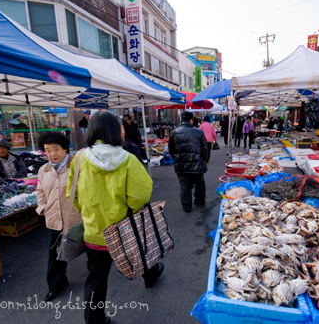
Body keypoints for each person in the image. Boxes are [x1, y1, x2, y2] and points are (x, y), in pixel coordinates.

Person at [66, 111, 162, 324]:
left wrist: (89, 213)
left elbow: (72, 194)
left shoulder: (79, 158)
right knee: (140, 253)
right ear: (114, 130)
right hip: (123, 229)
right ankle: (151, 275)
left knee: (95, 279)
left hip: (94, 232)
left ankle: (95, 321)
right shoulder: (128, 159)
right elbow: (140, 197)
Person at [36, 132, 80, 302]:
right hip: (54, 218)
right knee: (54, 253)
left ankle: (96, 279)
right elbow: (40, 191)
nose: (52, 154)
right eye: (47, 150)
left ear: (65, 149)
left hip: (77, 218)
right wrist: (43, 208)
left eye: (56, 149)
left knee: (88, 249)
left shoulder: (77, 166)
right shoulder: (43, 170)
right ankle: (56, 285)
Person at [168, 111, 209, 212]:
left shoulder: (173, 132)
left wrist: (177, 158)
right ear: (191, 120)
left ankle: (186, 206)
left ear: (182, 119)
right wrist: (204, 159)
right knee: (199, 182)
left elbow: (171, 149)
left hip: (181, 164)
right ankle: (199, 200)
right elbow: (204, 149)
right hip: (196, 162)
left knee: (184, 185)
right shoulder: (198, 132)